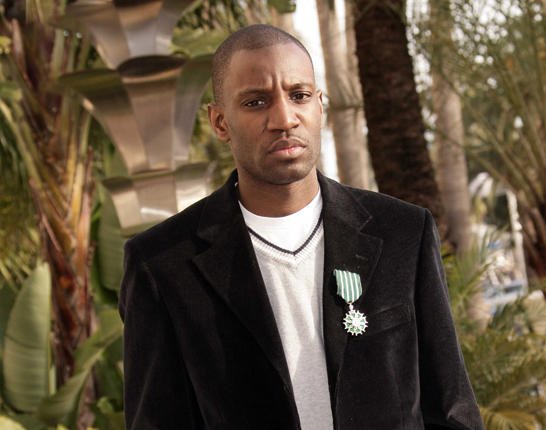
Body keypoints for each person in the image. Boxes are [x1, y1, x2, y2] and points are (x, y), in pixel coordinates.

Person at [120, 24, 483, 430]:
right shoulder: (163, 265)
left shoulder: (402, 232)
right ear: (220, 123)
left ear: (320, 106)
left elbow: (451, 410)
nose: (284, 118)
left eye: (299, 95)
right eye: (256, 102)